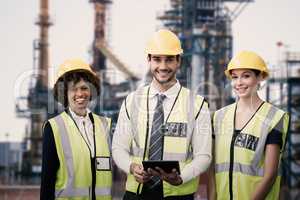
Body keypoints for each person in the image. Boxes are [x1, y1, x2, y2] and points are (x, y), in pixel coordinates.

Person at [112, 29, 212, 200]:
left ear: (179, 61)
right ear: (149, 60)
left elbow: (204, 156)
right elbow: (118, 148)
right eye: (157, 59)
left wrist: (182, 177)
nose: (163, 66)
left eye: (169, 59)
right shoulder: (132, 101)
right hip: (137, 193)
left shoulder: (197, 105)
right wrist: (131, 167)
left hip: (178, 194)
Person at [210, 51, 289, 200]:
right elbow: (213, 169)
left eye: (246, 76)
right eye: (235, 77)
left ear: (260, 77)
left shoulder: (274, 117)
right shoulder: (219, 117)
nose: (239, 82)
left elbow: (270, 175)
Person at [40, 59, 112, 200]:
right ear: (64, 93)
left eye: (84, 88)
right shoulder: (54, 127)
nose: (80, 94)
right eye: (74, 89)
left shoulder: (105, 125)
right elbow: (47, 182)